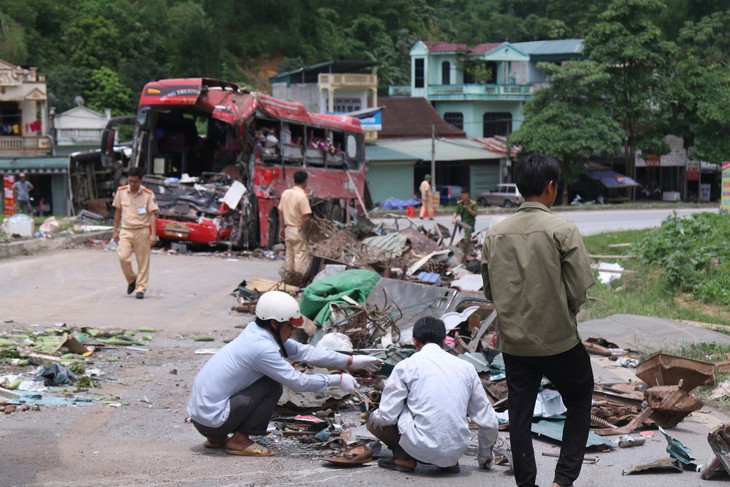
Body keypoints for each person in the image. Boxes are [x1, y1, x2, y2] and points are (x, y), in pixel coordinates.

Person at [480, 154, 595, 487]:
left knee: (520, 413)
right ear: (550, 187)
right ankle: (562, 481)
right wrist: (566, 308)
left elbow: (489, 291)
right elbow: (578, 288)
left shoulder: (495, 233)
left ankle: (526, 483)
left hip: (515, 343)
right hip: (558, 338)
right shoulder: (563, 230)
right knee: (579, 398)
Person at [187, 290, 383, 456]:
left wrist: (351, 361)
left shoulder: (256, 331)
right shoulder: (261, 348)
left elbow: (305, 351)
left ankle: (217, 438)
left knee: (262, 381)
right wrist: (337, 380)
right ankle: (239, 440)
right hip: (212, 421)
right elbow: (298, 382)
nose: (291, 331)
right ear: (275, 323)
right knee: (271, 385)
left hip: (202, 419)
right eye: (289, 326)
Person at [367, 316, 498, 474]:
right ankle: (447, 463)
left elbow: (387, 416)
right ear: (443, 341)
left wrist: (372, 417)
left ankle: (404, 459)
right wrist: (485, 458)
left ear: (415, 341)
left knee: (396, 408)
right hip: (455, 451)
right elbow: (489, 421)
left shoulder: (406, 366)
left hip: (419, 445)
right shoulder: (467, 367)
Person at [112, 167, 159, 300]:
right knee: (123, 257)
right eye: (130, 181)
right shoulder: (121, 192)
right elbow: (117, 212)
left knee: (143, 261)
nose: (132, 184)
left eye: (135, 182)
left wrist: (152, 234)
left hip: (142, 231)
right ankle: (132, 279)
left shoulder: (148, 194)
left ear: (141, 181)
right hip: (126, 230)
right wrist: (115, 230)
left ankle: (141, 288)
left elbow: (152, 215)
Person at [278, 171, 312, 275]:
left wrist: (282, 228)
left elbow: (280, 211)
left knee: (289, 256)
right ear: (305, 181)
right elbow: (306, 216)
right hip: (298, 230)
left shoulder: (285, 194)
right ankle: (298, 280)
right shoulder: (302, 196)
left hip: (288, 229)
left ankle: (289, 278)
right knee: (300, 255)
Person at [452, 188, 478, 254]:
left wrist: (469, 209)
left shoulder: (473, 203)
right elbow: (456, 211)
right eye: (461, 195)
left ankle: (468, 250)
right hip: (463, 222)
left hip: (470, 223)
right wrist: (453, 218)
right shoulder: (460, 203)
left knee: (467, 236)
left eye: (463, 195)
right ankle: (471, 247)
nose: (462, 197)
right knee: (468, 236)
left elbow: (475, 214)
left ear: (467, 195)